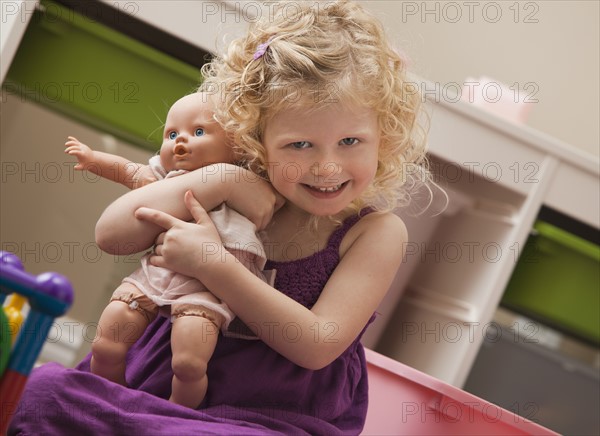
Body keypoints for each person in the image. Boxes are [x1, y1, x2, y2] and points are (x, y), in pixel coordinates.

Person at [8, 1, 433, 434]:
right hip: (151, 393)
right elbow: (111, 234)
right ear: (254, 136)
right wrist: (221, 179)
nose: (327, 166)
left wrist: (213, 264)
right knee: (39, 391)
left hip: (271, 420)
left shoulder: (374, 233)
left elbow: (317, 344)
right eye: (299, 145)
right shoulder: (227, 185)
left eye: (349, 140)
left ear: (386, 134)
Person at [64, 93, 271, 409]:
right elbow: (130, 171)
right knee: (107, 339)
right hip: (155, 275)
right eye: (171, 134)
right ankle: (111, 397)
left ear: (238, 144)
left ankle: (174, 411)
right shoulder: (168, 180)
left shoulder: (246, 183)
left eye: (198, 132)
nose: (180, 141)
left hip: (206, 290)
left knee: (188, 362)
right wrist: (95, 159)